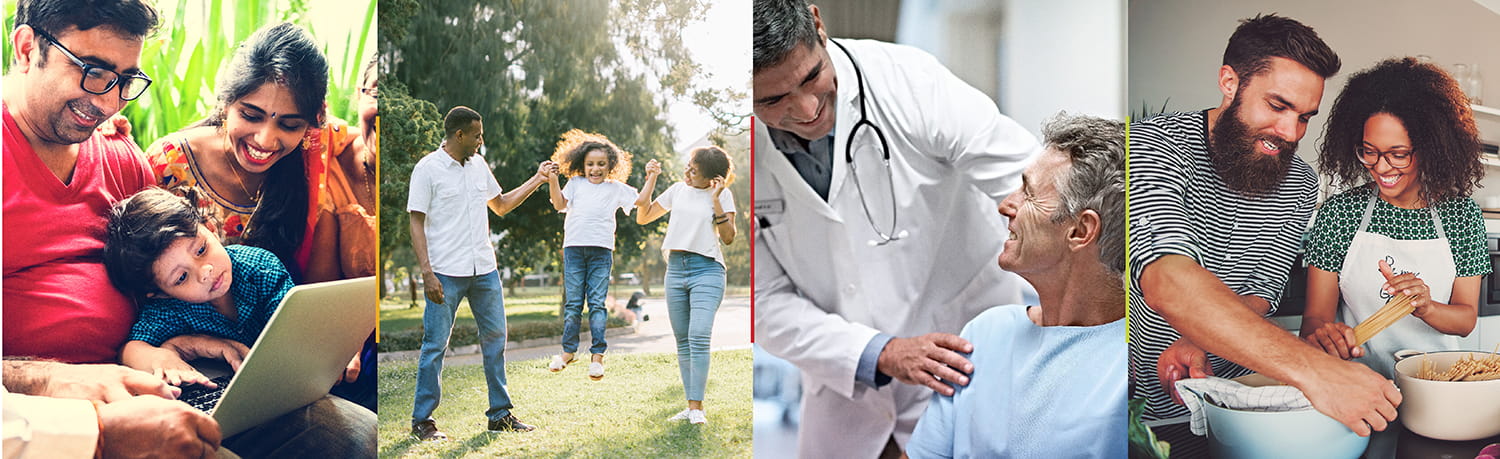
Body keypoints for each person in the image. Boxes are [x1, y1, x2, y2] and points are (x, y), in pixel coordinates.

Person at [2, 1, 375, 456]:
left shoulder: (120, 159)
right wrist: (52, 380)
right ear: (25, 48)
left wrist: (183, 344)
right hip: (44, 414)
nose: (107, 102)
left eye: (124, 81)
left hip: (174, 378)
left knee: (356, 434)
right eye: (94, 71)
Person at [752, 0, 1038, 455]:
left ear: (818, 23)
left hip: (964, 363)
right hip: (846, 391)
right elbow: (761, 300)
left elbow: (1030, 180)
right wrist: (878, 353)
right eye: (772, 100)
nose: (806, 110)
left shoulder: (909, 81)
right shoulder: (727, 157)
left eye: (811, 77)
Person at [1128, 13, 1400, 441]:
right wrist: (1320, 373)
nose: (1291, 132)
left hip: (1247, 399)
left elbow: (1259, 292)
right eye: (1278, 106)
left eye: (1305, 116)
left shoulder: (1300, 183)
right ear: (1229, 82)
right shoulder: (1154, 145)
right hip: (1151, 410)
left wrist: (1204, 338)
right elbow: (1168, 280)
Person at [906, 113, 1126, 458]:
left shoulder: (1135, 366)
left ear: (1081, 231)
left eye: (1029, 192)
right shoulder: (985, 334)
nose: (1006, 205)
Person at [1301, 57, 1488, 378]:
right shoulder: (1340, 214)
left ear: (1430, 147)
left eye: (1398, 154)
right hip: (1359, 382)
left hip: (1437, 383)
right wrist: (1325, 338)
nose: (1381, 167)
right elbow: (1314, 319)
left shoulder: (1462, 216)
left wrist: (1427, 307)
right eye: (1369, 151)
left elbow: (1466, 320)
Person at [101, 187, 360, 387]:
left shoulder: (259, 268)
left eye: (202, 249)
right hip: (229, 389)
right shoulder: (168, 308)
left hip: (289, 381)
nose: (205, 272)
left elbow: (296, 326)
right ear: (157, 292)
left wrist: (331, 345)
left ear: (208, 228)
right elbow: (133, 349)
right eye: (181, 278)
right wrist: (161, 359)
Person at [142, 22, 332, 282]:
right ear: (226, 102)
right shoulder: (169, 163)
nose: (265, 140)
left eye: (289, 125)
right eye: (251, 116)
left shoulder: (311, 158)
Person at [408, 106, 554, 440]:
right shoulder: (427, 169)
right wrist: (427, 273)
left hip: (484, 269)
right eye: (477, 134)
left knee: (495, 340)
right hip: (445, 271)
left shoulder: (478, 165)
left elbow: (500, 205)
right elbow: (415, 221)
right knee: (434, 346)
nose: (481, 140)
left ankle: (500, 415)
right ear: (458, 134)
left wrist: (538, 179)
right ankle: (423, 420)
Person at [635, 146, 739, 425]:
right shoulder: (677, 190)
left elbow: (728, 237)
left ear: (713, 178)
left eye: (694, 171)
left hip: (707, 270)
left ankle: (697, 409)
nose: (688, 173)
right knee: (683, 341)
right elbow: (642, 217)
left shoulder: (723, 195)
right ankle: (691, 406)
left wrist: (716, 200)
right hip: (676, 270)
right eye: (689, 167)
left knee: (699, 335)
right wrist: (651, 178)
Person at [543, 129, 637, 380]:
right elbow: (559, 204)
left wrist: (651, 178)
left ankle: (597, 358)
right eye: (590, 164)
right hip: (574, 250)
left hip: (601, 252)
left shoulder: (615, 188)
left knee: (596, 304)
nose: (595, 169)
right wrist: (553, 179)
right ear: (581, 165)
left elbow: (641, 201)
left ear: (611, 166)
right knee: (573, 304)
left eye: (601, 164)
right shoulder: (575, 183)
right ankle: (568, 352)